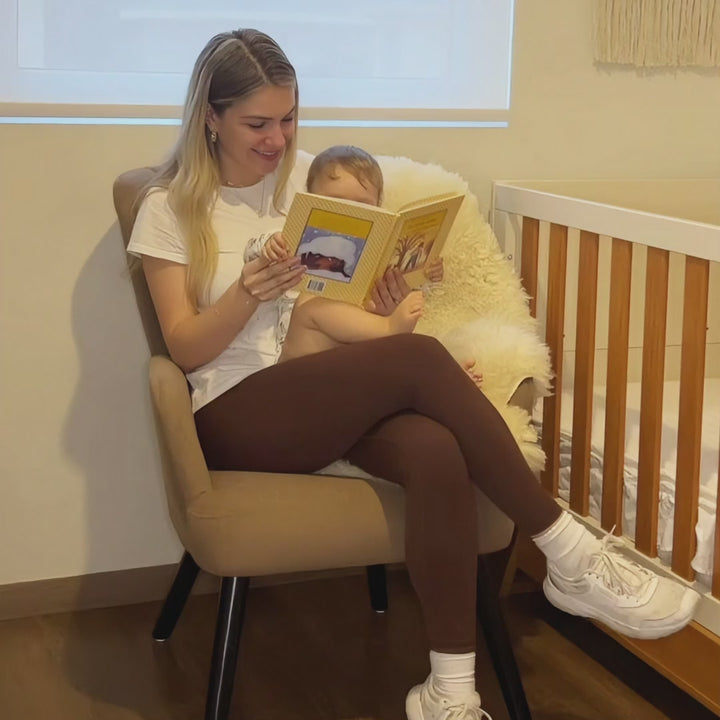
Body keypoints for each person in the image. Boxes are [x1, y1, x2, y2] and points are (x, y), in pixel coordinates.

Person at [127, 29, 700, 720]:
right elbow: (183, 349)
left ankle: (449, 692)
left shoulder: (311, 181)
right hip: (236, 413)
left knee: (435, 451)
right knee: (420, 357)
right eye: (257, 123)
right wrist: (247, 291)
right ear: (210, 117)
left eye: (288, 118)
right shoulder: (171, 207)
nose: (277, 139)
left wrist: (384, 289)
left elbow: (342, 300)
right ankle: (567, 547)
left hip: (326, 387)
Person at [244, 144, 444, 365]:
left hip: (357, 360)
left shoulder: (378, 250)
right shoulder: (294, 238)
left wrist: (426, 273)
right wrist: (271, 245)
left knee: (380, 309)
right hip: (301, 360)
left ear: (378, 205)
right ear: (310, 198)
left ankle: (440, 374)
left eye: (362, 205)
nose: (350, 212)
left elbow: (407, 284)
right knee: (311, 300)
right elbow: (252, 252)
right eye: (337, 202)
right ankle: (388, 330)